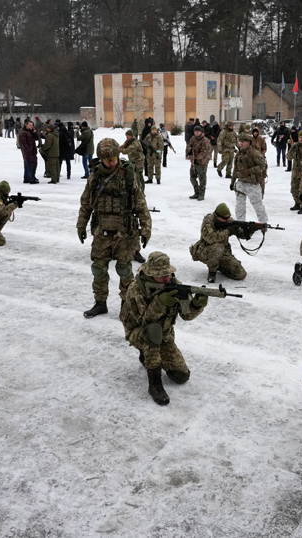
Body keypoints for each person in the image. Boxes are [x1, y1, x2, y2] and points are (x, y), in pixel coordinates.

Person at [77, 138, 152, 318]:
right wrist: (81, 225)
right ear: (101, 159)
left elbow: (141, 204)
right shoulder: (95, 177)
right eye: (107, 160)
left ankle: (126, 304)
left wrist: (146, 228)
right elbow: (86, 204)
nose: (111, 163)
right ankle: (100, 303)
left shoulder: (128, 175)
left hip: (124, 233)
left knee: (125, 270)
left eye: (113, 159)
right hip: (101, 231)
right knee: (98, 269)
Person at [120, 251, 207, 406]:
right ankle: (155, 383)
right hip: (139, 332)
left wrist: (197, 305)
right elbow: (144, 320)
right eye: (162, 275)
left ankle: (147, 354)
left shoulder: (173, 283)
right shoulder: (136, 288)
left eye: (168, 274)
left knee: (181, 376)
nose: (167, 279)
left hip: (165, 335)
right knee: (153, 330)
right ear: (151, 274)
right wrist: (160, 302)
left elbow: (186, 315)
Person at [189, 203, 247, 283]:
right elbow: (211, 238)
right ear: (217, 216)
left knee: (240, 274)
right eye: (225, 218)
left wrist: (250, 230)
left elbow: (242, 235)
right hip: (206, 250)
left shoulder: (229, 220)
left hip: (223, 252)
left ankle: (218, 265)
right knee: (218, 247)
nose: (228, 219)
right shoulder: (208, 221)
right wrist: (228, 231)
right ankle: (212, 272)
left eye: (229, 217)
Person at [231, 133, 268, 223]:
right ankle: (240, 223)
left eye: (244, 142)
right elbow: (235, 168)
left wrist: (249, 171)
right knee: (240, 206)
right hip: (241, 184)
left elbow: (262, 166)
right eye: (241, 142)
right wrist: (232, 182)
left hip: (253, 184)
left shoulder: (255, 153)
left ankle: (263, 223)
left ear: (249, 142)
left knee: (257, 205)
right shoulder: (239, 154)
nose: (241, 143)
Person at [186, 125, 212, 200]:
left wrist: (198, 159)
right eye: (195, 131)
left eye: (198, 131)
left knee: (202, 178)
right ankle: (196, 192)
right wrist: (189, 151)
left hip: (202, 162)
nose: (196, 133)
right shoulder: (193, 138)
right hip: (194, 161)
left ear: (201, 132)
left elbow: (206, 152)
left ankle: (201, 194)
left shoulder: (205, 140)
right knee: (192, 178)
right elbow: (189, 145)